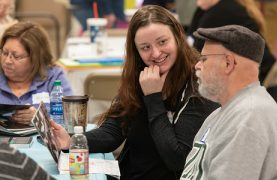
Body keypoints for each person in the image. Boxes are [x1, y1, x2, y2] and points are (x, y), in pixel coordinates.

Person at [51, 5, 219, 179]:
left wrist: (153, 98)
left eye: (162, 42)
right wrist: (72, 141)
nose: (156, 53)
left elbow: (177, 160)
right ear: (137, 52)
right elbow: (113, 132)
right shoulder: (141, 75)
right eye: (145, 47)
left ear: (177, 37)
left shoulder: (199, 85)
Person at [180, 25, 277, 179]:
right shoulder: (224, 113)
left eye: (204, 59)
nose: (197, 65)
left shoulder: (249, 116)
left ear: (228, 64)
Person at [188, 0, 277, 104]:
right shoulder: (230, 5)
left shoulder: (220, 11)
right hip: (264, 75)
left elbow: (195, 54)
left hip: (256, 81)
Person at [0, 21, 73, 124]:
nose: (7, 61)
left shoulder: (54, 76)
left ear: (35, 58)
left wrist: (41, 116)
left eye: (16, 57)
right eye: (4, 53)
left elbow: (71, 114)